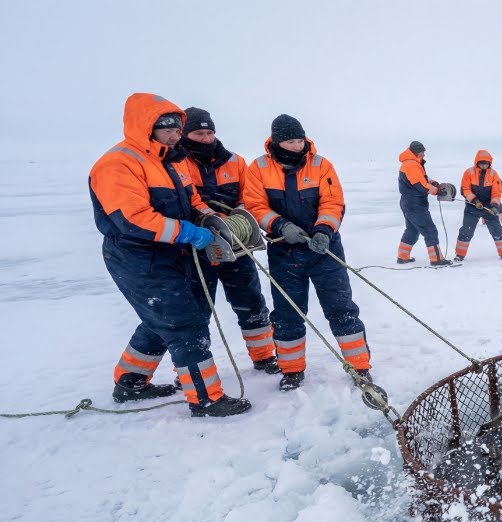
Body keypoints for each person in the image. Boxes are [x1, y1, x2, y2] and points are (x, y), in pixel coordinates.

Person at [89, 93, 250, 417]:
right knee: (183, 322)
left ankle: (130, 382)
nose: (177, 134)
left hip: (173, 253)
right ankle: (205, 399)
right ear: (148, 127)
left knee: (158, 318)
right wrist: (191, 232)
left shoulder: (171, 162)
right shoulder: (118, 163)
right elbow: (133, 219)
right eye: (169, 128)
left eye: (178, 128)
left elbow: (192, 201)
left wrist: (208, 218)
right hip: (137, 256)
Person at [241, 114, 375, 393]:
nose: (296, 146)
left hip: (323, 250)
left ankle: (360, 366)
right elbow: (255, 205)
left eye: (300, 140)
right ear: (277, 141)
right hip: (284, 252)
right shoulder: (259, 168)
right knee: (288, 313)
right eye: (290, 141)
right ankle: (291, 370)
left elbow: (333, 201)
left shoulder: (321, 165)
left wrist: (324, 230)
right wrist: (280, 225)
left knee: (341, 309)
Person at [173, 107, 280, 374]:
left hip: (236, 246)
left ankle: (264, 356)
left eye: (210, 132)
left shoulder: (235, 161)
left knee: (251, 301)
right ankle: (194, 370)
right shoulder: (174, 163)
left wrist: (238, 219)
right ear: (185, 134)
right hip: (195, 250)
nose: (207, 138)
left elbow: (249, 198)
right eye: (199, 133)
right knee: (195, 310)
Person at [396, 140, 449, 266]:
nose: (423, 155)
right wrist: (437, 191)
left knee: (412, 230)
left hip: (409, 202)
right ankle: (437, 259)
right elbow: (420, 185)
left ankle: (402, 256)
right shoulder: (411, 165)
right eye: (421, 153)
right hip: (414, 203)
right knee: (430, 230)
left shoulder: (412, 163)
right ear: (415, 152)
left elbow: (423, 178)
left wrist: (433, 182)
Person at [454, 150, 502, 262]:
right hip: (472, 207)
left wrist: (494, 206)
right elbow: (465, 189)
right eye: (482, 162)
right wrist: (475, 201)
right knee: (466, 231)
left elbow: (496, 192)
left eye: (486, 163)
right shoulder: (469, 172)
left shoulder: (494, 174)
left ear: (490, 163)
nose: (484, 165)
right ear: (477, 162)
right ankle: (459, 255)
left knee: (497, 230)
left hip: (488, 207)